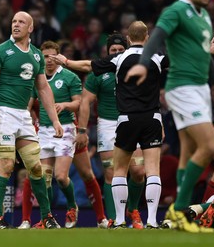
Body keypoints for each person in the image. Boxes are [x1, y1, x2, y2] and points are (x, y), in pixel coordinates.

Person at [124, 0, 214, 232]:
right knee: (209, 146)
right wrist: (141, 63)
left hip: (200, 89)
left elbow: (204, 56)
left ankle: (180, 218)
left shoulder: (205, 16)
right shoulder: (175, 11)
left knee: (187, 154)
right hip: (181, 87)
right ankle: (179, 211)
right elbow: (158, 36)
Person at [51, 21, 167, 229]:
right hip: (151, 119)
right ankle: (151, 220)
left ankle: (121, 219)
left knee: (122, 170)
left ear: (129, 39)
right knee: (151, 171)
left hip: (127, 120)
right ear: (147, 37)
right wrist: (206, 51)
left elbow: (87, 65)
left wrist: (66, 61)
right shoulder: (157, 56)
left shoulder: (119, 58)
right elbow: (184, 59)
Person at [0, 11, 63, 229]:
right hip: (3, 113)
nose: (16, 25)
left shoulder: (36, 55)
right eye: (14, 21)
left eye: (21, 22)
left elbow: (44, 88)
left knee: (36, 168)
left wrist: (55, 120)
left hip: (23, 116)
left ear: (30, 28)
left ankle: (46, 217)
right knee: (7, 165)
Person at [75, 32, 147, 228]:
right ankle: (115, 219)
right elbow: (85, 102)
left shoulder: (137, 68)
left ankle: (133, 210)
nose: (116, 53)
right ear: (106, 52)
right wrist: (81, 130)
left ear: (127, 50)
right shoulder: (98, 73)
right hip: (108, 125)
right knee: (112, 172)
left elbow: (148, 96)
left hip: (134, 121)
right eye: (113, 50)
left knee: (139, 171)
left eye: (120, 50)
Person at [28, 40, 81, 228]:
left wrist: (65, 105)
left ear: (58, 57)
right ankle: (48, 219)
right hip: (43, 131)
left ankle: (72, 205)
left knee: (60, 176)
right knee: (45, 179)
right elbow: (30, 104)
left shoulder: (69, 77)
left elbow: (78, 103)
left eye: (51, 56)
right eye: (45, 57)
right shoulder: (38, 78)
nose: (48, 60)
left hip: (65, 128)